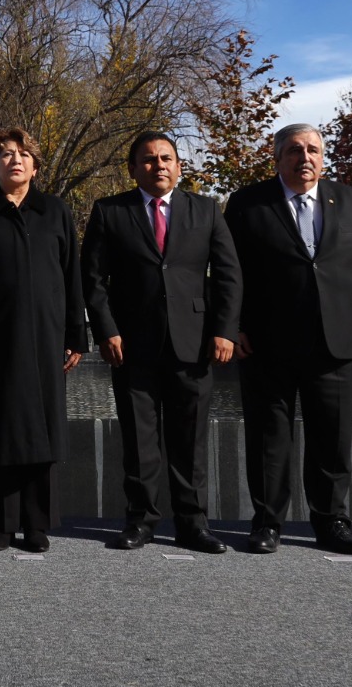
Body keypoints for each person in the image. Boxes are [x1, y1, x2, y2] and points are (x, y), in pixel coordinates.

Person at [224, 123, 352, 555]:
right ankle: (267, 522)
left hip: (336, 340)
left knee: (331, 439)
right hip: (265, 341)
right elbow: (228, 270)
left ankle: (331, 521)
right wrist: (231, 325)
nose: (305, 157)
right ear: (276, 158)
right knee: (268, 438)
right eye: (294, 150)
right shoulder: (246, 203)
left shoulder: (350, 200)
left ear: (323, 156)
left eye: (313, 149)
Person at [82, 131, 241, 554]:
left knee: (189, 440)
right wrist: (106, 329)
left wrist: (225, 330)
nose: (159, 166)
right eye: (148, 160)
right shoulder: (109, 212)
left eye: (167, 158)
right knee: (139, 438)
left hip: (194, 344)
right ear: (133, 168)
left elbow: (228, 275)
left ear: (179, 166)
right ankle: (142, 520)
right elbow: (93, 280)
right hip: (132, 345)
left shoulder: (205, 210)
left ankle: (193, 523)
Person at [0, 128, 86, 552]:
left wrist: (75, 336)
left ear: (36, 166)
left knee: (42, 431)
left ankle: (37, 525)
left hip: (47, 341)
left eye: (24, 154)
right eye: (6, 154)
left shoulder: (55, 211)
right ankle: (2, 525)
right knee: (2, 429)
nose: (15, 160)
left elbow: (71, 277)